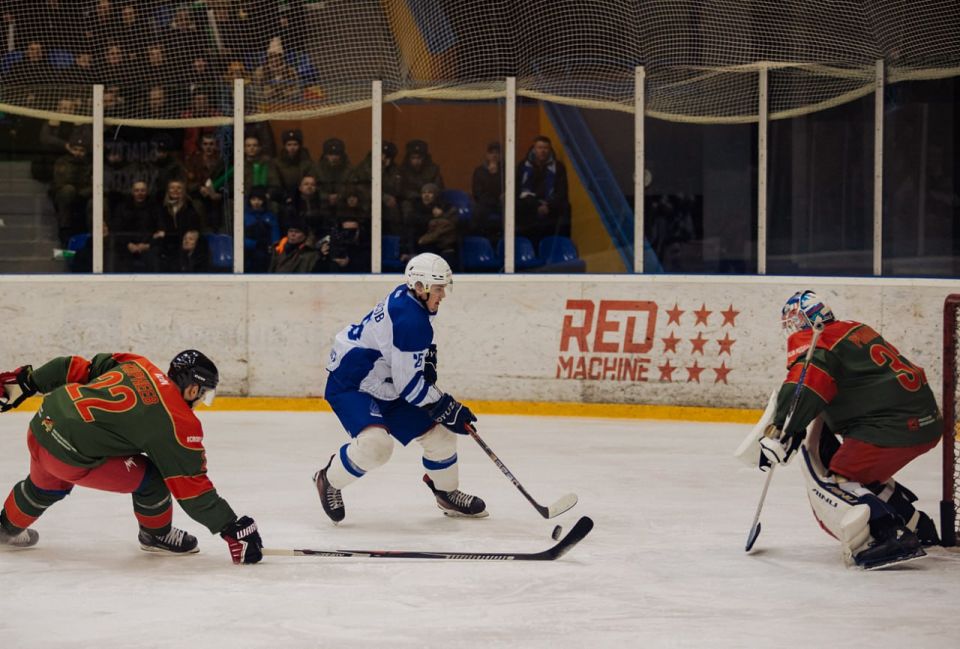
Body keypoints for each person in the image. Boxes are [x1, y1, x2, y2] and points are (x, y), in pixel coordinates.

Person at [0, 350, 263, 564]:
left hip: (42, 424)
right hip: (69, 453)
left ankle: (5, 529)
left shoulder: (138, 364)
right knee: (154, 479)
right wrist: (231, 526)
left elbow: (73, 367)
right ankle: (156, 535)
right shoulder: (178, 421)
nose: (200, 401)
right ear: (193, 389)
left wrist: (28, 381)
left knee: (42, 487)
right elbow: (192, 488)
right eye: (204, 394)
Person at [755, 290, 941, 569]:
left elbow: (803, 385)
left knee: (841, 481)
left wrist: (782, 431)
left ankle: (890, 534)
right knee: (865, 477)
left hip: (892, 426)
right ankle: (919, 526)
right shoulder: (855, 330)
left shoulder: (818, 344)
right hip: (925, 419)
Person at [314, 253, 486, 523]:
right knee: (376, 446)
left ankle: (446, 494)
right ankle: (328, 479)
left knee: (439, 436)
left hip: (385, 380)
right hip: (353, 382)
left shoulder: (410, 298)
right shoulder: (410, 319)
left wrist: (427, 358)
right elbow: (410, 387)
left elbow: (410, 348)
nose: (443, 295)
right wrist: (447, 406)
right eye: (439, 288)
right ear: (420, 287)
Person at [516, 135, 570, 248]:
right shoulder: (523, 166)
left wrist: (548, 205)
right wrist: (537, 205)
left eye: (546, 148)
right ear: (534, 149)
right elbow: (520, 190)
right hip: (530, 205)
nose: (543, 151)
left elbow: (561, 191)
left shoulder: (559, 167)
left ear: (550, 150)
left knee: (566, 207)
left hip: (550, 205)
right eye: (540, 148)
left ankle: (558, 248)